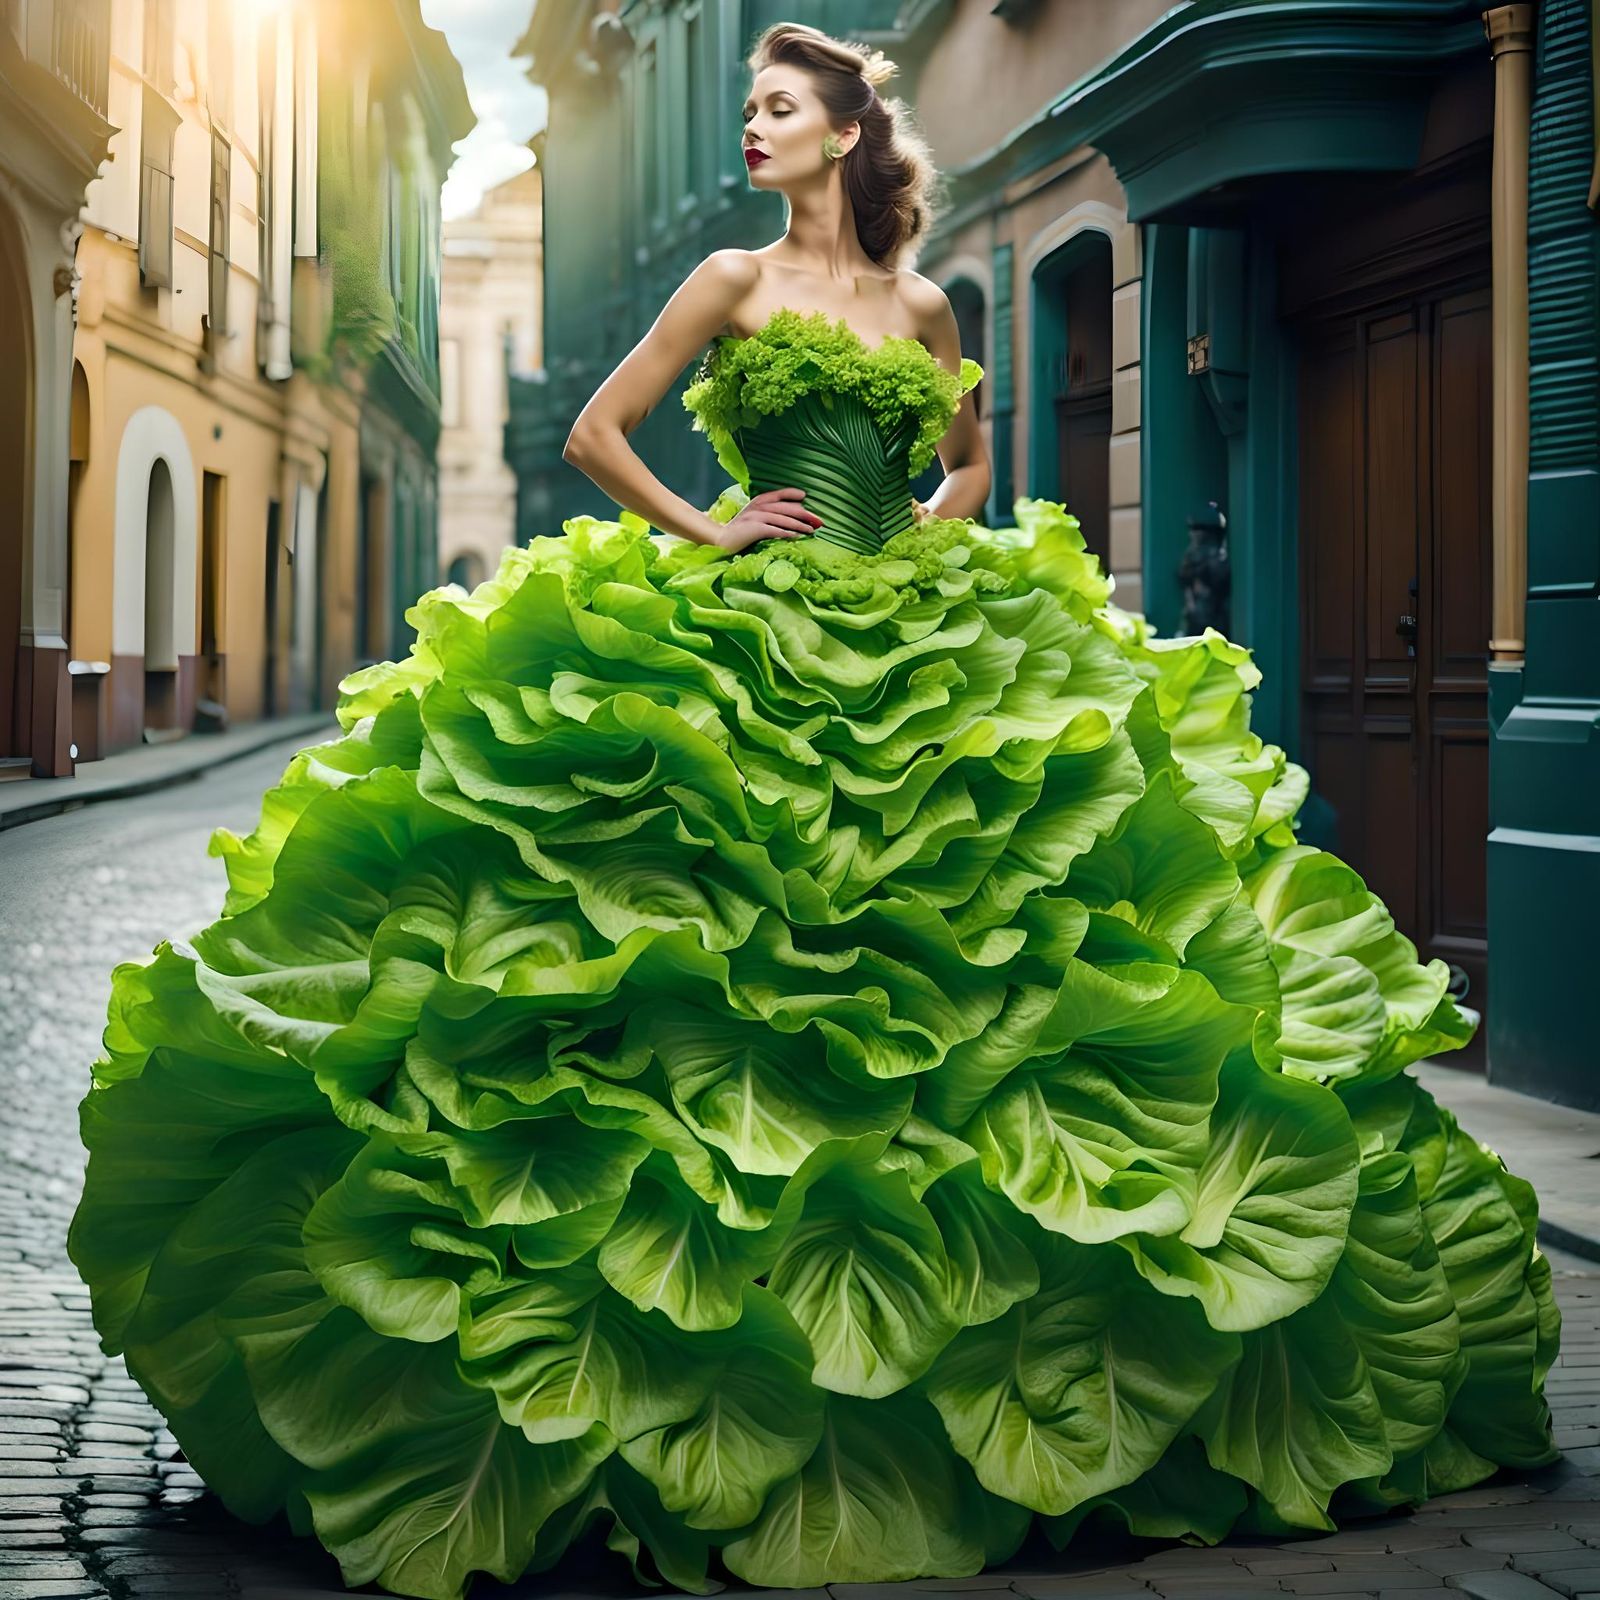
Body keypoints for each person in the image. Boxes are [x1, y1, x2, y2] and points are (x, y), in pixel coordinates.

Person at [67, 20, 1558, 1600]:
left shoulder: (922, 305)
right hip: (743, 623)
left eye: (776, 110)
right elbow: (595, 432)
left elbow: (973, 464)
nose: (752, 133)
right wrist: (710, 529)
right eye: (749, 113)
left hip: (915, 632)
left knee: (1003, 940)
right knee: (708, 940)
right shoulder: (728, 280)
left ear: (847, 133)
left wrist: (917, 525)